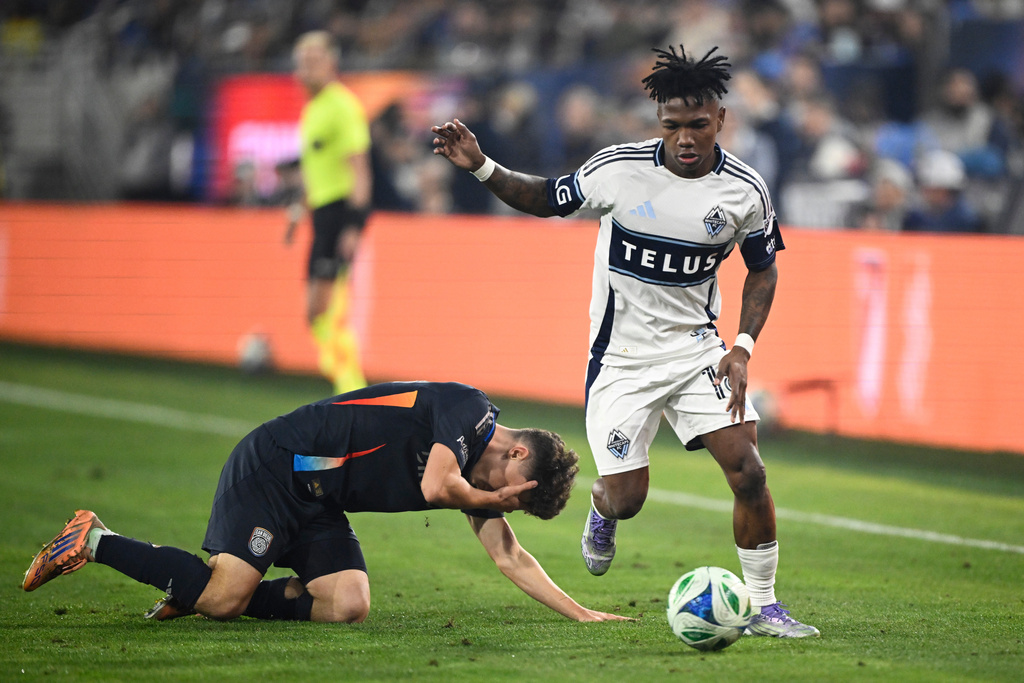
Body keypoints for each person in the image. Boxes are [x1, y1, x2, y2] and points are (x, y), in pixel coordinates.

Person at [431, 45, 818, 638]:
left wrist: (741, 346)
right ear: (658, 121)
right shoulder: (618, 168)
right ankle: (602, 507)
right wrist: (482, 165)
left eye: (697, 124)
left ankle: (764, 606)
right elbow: (546, 198)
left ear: (720, 119)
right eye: (671, 125)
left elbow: (763, 269)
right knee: (627, 499)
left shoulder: (746, 191)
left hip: (697, 351)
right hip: (620, 361)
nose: (684, 138)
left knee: (749, 472)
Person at [23, 381, 628, 625]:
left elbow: (510, 557)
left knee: (348, 602)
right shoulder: (468, 410)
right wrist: (491, 496)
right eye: (515, 497)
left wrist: (581, 614)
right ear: (518, 454)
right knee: (224, 601)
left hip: (318, 500)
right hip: (278, 466)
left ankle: (195, 587)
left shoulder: (476, 479)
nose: (503, 506)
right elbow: (433, 487)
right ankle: (92, 539)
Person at [286, 31, 373, 394]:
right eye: (302, 61)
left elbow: (360, 172)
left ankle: (352, 388)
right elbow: (315, 170)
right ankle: (344, 379)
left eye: (314, 60)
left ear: (331, 63)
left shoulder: (342, 106)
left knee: (327, 311)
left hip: (340, 215)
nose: (306, 68)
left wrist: (354, 226)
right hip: (321, 216)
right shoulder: (312, 109)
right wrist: (299, 208)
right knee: (315, 312)